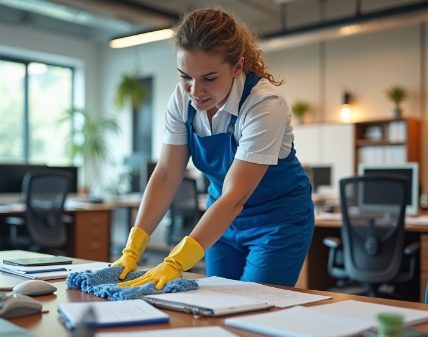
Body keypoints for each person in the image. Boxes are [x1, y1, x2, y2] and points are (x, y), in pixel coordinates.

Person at [113, 7, 314, 289]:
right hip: (220, 221)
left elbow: (234, 196)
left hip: (276, 223)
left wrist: (175, 262)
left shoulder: (263, 104)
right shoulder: (183, 100)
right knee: (215, 306)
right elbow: (168, 174)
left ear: (237, 66)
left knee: (256, 307)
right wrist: (132, 248)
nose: (195, 91)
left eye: (209, 79)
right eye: (185, 76)